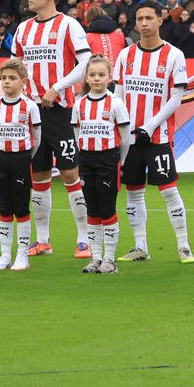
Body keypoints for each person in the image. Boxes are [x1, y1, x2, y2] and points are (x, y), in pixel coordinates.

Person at [11, 0, 92, 258]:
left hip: (62, 111)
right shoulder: (22, 30)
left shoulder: (69, 25)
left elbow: (85, 64)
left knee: (70, 171)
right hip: (32, 112)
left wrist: (57, 88)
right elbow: (17, 67)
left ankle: (85, 238)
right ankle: (42, 239)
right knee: (39, 174)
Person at [113, 2, 193, 263]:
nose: (144, 23)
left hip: (158, 137)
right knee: (133, 192)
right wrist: (124, 128)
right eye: (139, 18)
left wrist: (149, 126)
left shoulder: (174, 55)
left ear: (160, 20)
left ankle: (184, 246)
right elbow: (119, 95)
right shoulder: (125, 55)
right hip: (130, 138)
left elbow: (176, 97)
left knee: (168, 190)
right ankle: (140, 247)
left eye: (149, 18)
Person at [71, 55, 132, 274]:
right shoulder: (79, 104)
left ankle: (110, 259)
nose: (97, 79)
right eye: (92, 75)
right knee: (92, 210)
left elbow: (126, 137)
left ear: (110, 77)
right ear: (86, 77)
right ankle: (95, 257)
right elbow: (77, 133)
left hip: (108, 160)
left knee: (107, 210)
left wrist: (120, 161)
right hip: (87, 160)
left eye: (101, 75)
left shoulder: (116, 103)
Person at [0, 59, 41, 271]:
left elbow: (37, 136)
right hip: (1, 159)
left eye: (12, 78)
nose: (7, 82)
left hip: (21, 159)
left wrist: (25, 156)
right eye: (4, 78)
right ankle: (5, 254)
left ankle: (22, 255)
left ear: (23, 82)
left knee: (21, 207)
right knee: (4, 207)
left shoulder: (30, 106)